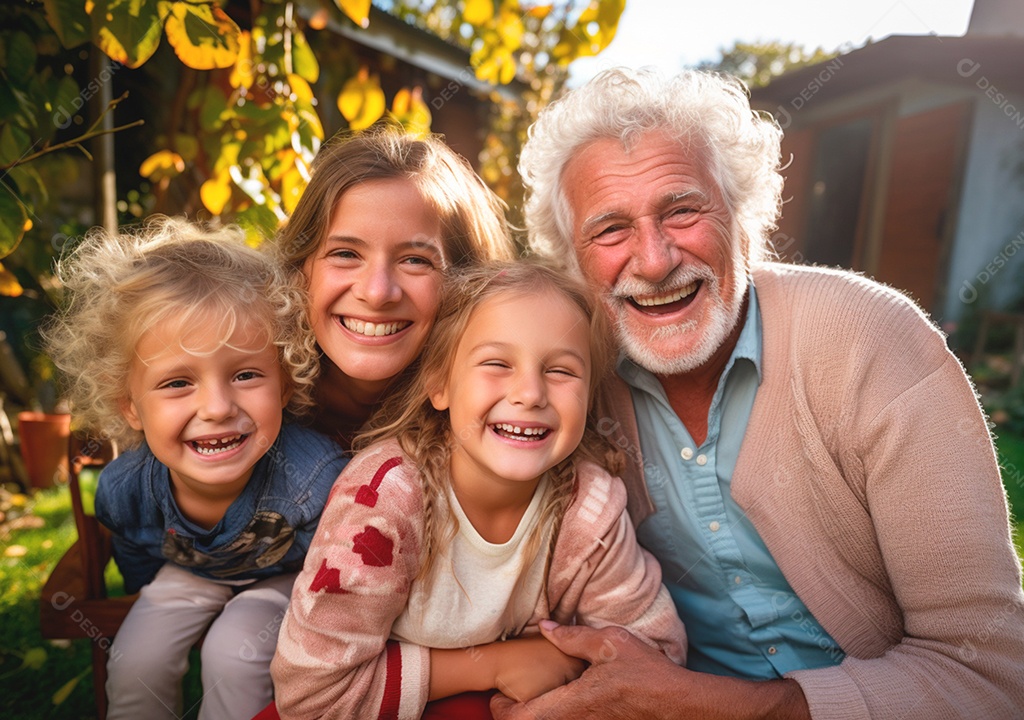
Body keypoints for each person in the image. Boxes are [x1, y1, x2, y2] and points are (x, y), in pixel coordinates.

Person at [492, 67, 1024, 719]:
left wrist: (714, 705)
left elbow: (995, 687)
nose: (654, 261)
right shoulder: (569, 381)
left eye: (683, 210)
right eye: (610, 230)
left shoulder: (870, 339)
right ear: (574, 262)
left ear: (744, 216)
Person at [270, 260, 687, 719]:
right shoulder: (383, 500)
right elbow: (311, 696)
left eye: (561, 371)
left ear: (589, 396)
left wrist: (566, 667)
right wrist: (494, 665)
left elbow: (654, 657)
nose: (530, 393)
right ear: (440, 383)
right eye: (496, 364)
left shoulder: (588, 507)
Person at [44, 217, 349, 720]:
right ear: (129, 406)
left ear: (286, 385)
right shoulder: (126, 490)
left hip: (286, 580)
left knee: (235, 652)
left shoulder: (315, 479)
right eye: (176, 383)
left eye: (246, 374)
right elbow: (138, 554)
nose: (216, 407)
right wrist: (148, 597)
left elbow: (331, 580)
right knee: (137, 657)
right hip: (188, 573)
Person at [275, 127, 517, 447]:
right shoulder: (237, 393)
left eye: (415, 261)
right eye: (346, 254)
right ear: (299, 268)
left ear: (468, 283)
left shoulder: (505, 422)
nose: (376, 293)